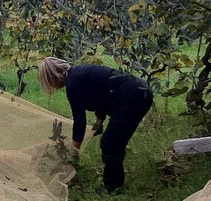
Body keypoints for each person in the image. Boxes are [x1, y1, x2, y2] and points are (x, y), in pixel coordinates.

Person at [38, 57, 153, 193]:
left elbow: (80, 121)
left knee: (110, 143)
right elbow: (101, 94)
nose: (51, 86)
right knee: (113, 141)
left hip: (133, 98)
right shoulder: (79, 73)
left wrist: (74, 152)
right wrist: (99, 121)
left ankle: (113, 189)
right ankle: (113, 185)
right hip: (140, 90)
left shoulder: (73, 85)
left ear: (53, 76)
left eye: (48, 81)